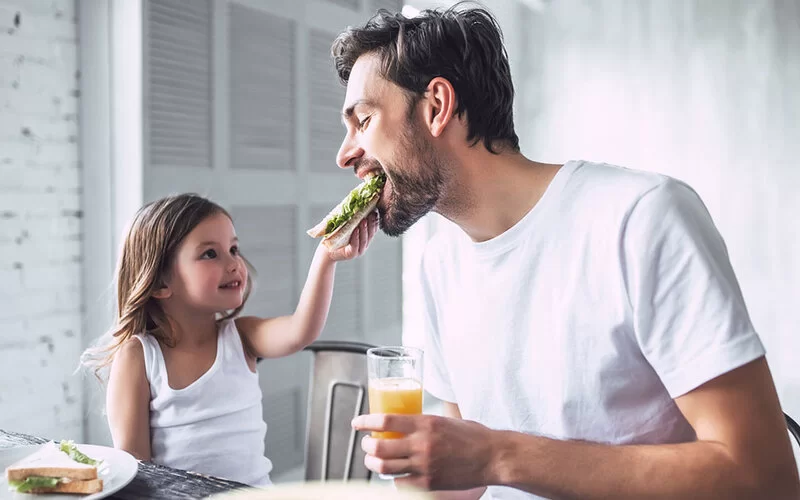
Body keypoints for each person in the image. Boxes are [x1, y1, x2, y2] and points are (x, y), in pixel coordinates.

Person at [333, 6, 800, 500]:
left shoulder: (641, 218)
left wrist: (499, 454)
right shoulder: (440, 266)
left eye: (363, 120)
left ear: (436, 106)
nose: (345, 153)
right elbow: (468, 479)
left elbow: (764, 476)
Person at [81, 193, 378, 486]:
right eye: (210, 253)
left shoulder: (242, 337)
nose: (235, 264)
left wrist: (326, 257)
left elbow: (301, 330)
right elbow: (137, 471)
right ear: (160, 282)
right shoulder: (139, 356)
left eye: (234, 249)